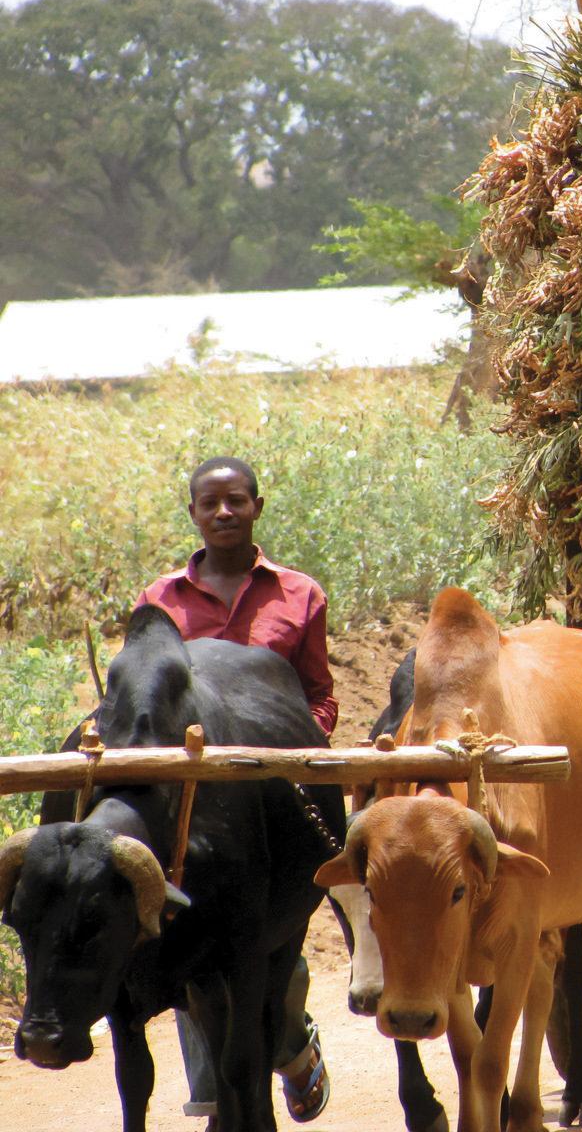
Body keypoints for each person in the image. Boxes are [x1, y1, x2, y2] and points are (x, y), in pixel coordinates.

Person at [135, 455, 336, 1125]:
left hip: (273, 801)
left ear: (257, 506)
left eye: (236, 501)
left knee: (272, 949)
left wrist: (299, 755)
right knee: (187, 939)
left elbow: (316, 700)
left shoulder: (299, 594)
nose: (224, 512)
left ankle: (291, 1043)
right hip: (189, 805)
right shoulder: (158, 602)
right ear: (191, 512)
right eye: (209, 503)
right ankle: (221, 1096)